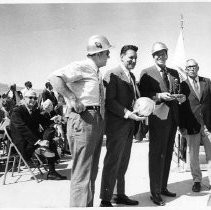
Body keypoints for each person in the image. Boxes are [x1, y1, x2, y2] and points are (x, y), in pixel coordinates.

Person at [48, 35, 112, 207]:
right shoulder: (82, 66)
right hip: (83, 119)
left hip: (95, 119)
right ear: (98, 53)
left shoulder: (95, 71)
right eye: (107, 52)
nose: (108, 56)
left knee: (91, 171)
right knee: (82, 172)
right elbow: (54, 78)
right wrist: (72, 98)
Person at [138, 42, 186, 206]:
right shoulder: (147, 73)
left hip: (173, 118)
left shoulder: (173, 72)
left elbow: (176, 90)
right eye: (156, 54)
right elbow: (142, 95)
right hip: (158, 119)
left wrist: (179, 97)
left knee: (167, 155)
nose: (160, 56)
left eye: (163, 53)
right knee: (156, 155)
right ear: (153, 56)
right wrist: (159, 96)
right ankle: (155, 192)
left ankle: (163, 187)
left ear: (167, 54)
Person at [100, 45, 145, 207]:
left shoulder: (131, 76)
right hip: (117, 125)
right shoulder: (112, 73)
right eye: (130, 57)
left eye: (135, 58)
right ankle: (106, 198)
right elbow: (110, 101)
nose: (133, 60)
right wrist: (127, 113)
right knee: (112, 162)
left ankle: (119, 194)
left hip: (128, 126)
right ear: (121, 57)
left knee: (123, 162)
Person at [10, 89, 67, 180]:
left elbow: (46, 121)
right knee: (49, 142)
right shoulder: (17, 111)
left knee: (50, 135)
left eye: (35, 98)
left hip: (32, 140)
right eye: (30, 97)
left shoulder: (34, 111)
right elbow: (23, 128)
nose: (33, 100)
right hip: (22, 144)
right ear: (24, 99)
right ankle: (43, 150)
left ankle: (51, 172)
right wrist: (39, 141)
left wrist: (56, 124)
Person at [179, 59, 211, 192]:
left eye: (194, 66)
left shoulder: (207, 82)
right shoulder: (182, 85)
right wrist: (181, 127)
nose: (191, 69)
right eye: (188, 67)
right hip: (191, 125)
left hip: (208, 125)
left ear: (198, 67)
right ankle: (197, 180)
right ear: (186, 70)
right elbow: (180, 108)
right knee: (193, 155)